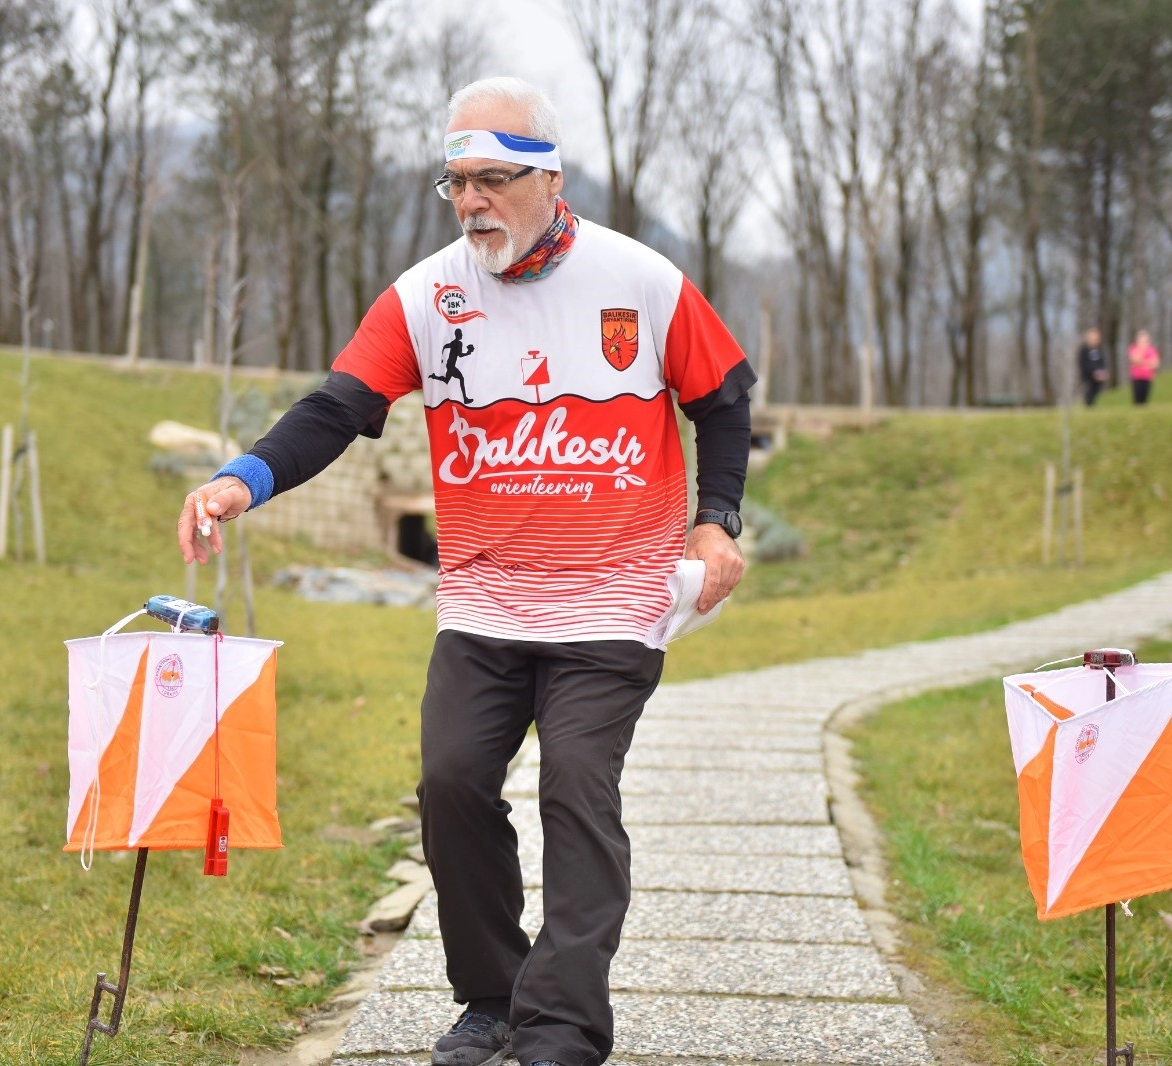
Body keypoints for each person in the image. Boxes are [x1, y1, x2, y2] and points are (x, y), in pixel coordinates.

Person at [176, 78, 754, 1066]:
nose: (474, 200)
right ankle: (491, 995)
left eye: (494, 178)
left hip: (613, 604)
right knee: (449, 783)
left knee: (577, 783)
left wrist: (717, 519)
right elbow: (337, 406)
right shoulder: (426, 293)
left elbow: (725, 394)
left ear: (549, 179)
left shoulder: (641, 281)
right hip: (483, 603)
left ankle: (562, 1029)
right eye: (457, 182)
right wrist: (243, 478)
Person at [1126, 329, 1160, 405]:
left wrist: (1143, 363)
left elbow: (1155, 363)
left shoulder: (1152, 350)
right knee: (1137, 397)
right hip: (1136, 377)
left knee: (1145, 398)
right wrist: (1146, 361)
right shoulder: (1133, 348)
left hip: (1147, 377)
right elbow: (1135, 360)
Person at [1077, 327, 1107, 406]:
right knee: (1089, 394)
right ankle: (1088, 407)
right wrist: (1093, 372)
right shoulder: (1084, 351)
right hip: (1088, 378)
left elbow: (1102, 363)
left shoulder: (1100, 350)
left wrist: (1102, 372)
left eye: (1096, 338)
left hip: (1098, 378)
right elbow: (1083, 364)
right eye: (1093, 338)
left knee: (1097, 394)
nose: (1095, 340)